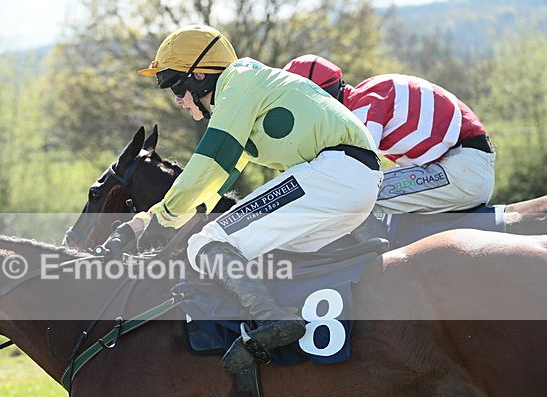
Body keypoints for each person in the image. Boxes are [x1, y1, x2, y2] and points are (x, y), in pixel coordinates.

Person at [101, 24, 383, 373]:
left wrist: (161, 220)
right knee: (252, 248)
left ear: (199, 76)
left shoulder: (239, 81)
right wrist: (143, 223)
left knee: (208, 241)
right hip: (351, 182)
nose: (177, 99)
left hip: (337, 175)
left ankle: (272, 320)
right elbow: (211, 187)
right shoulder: (247, 98)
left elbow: (206, 165)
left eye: (174, 85)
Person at [284, 54, 495, 215]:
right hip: (464, 164)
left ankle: (374, 258)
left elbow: (355, 171)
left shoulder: (363, 107)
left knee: (354, 197)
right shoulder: (366, 94)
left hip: (462, 169)